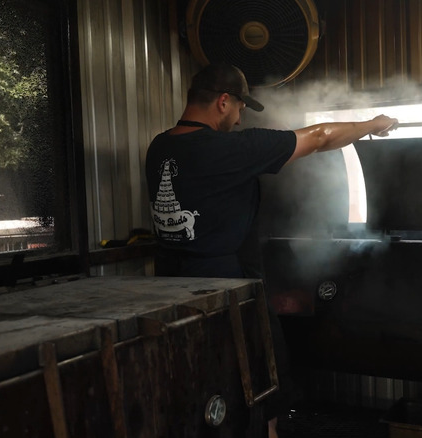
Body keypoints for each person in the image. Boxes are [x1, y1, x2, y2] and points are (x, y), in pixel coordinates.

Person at [145, 63, 398, 438]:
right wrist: (372, 125)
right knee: (259, 389)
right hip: (227, 293)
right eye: (239, 108)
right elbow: (321, 136)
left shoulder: (159, 147)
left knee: (194, 390)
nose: (239, 116)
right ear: (223, 102)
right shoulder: (229, 149)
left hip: (168, 292)